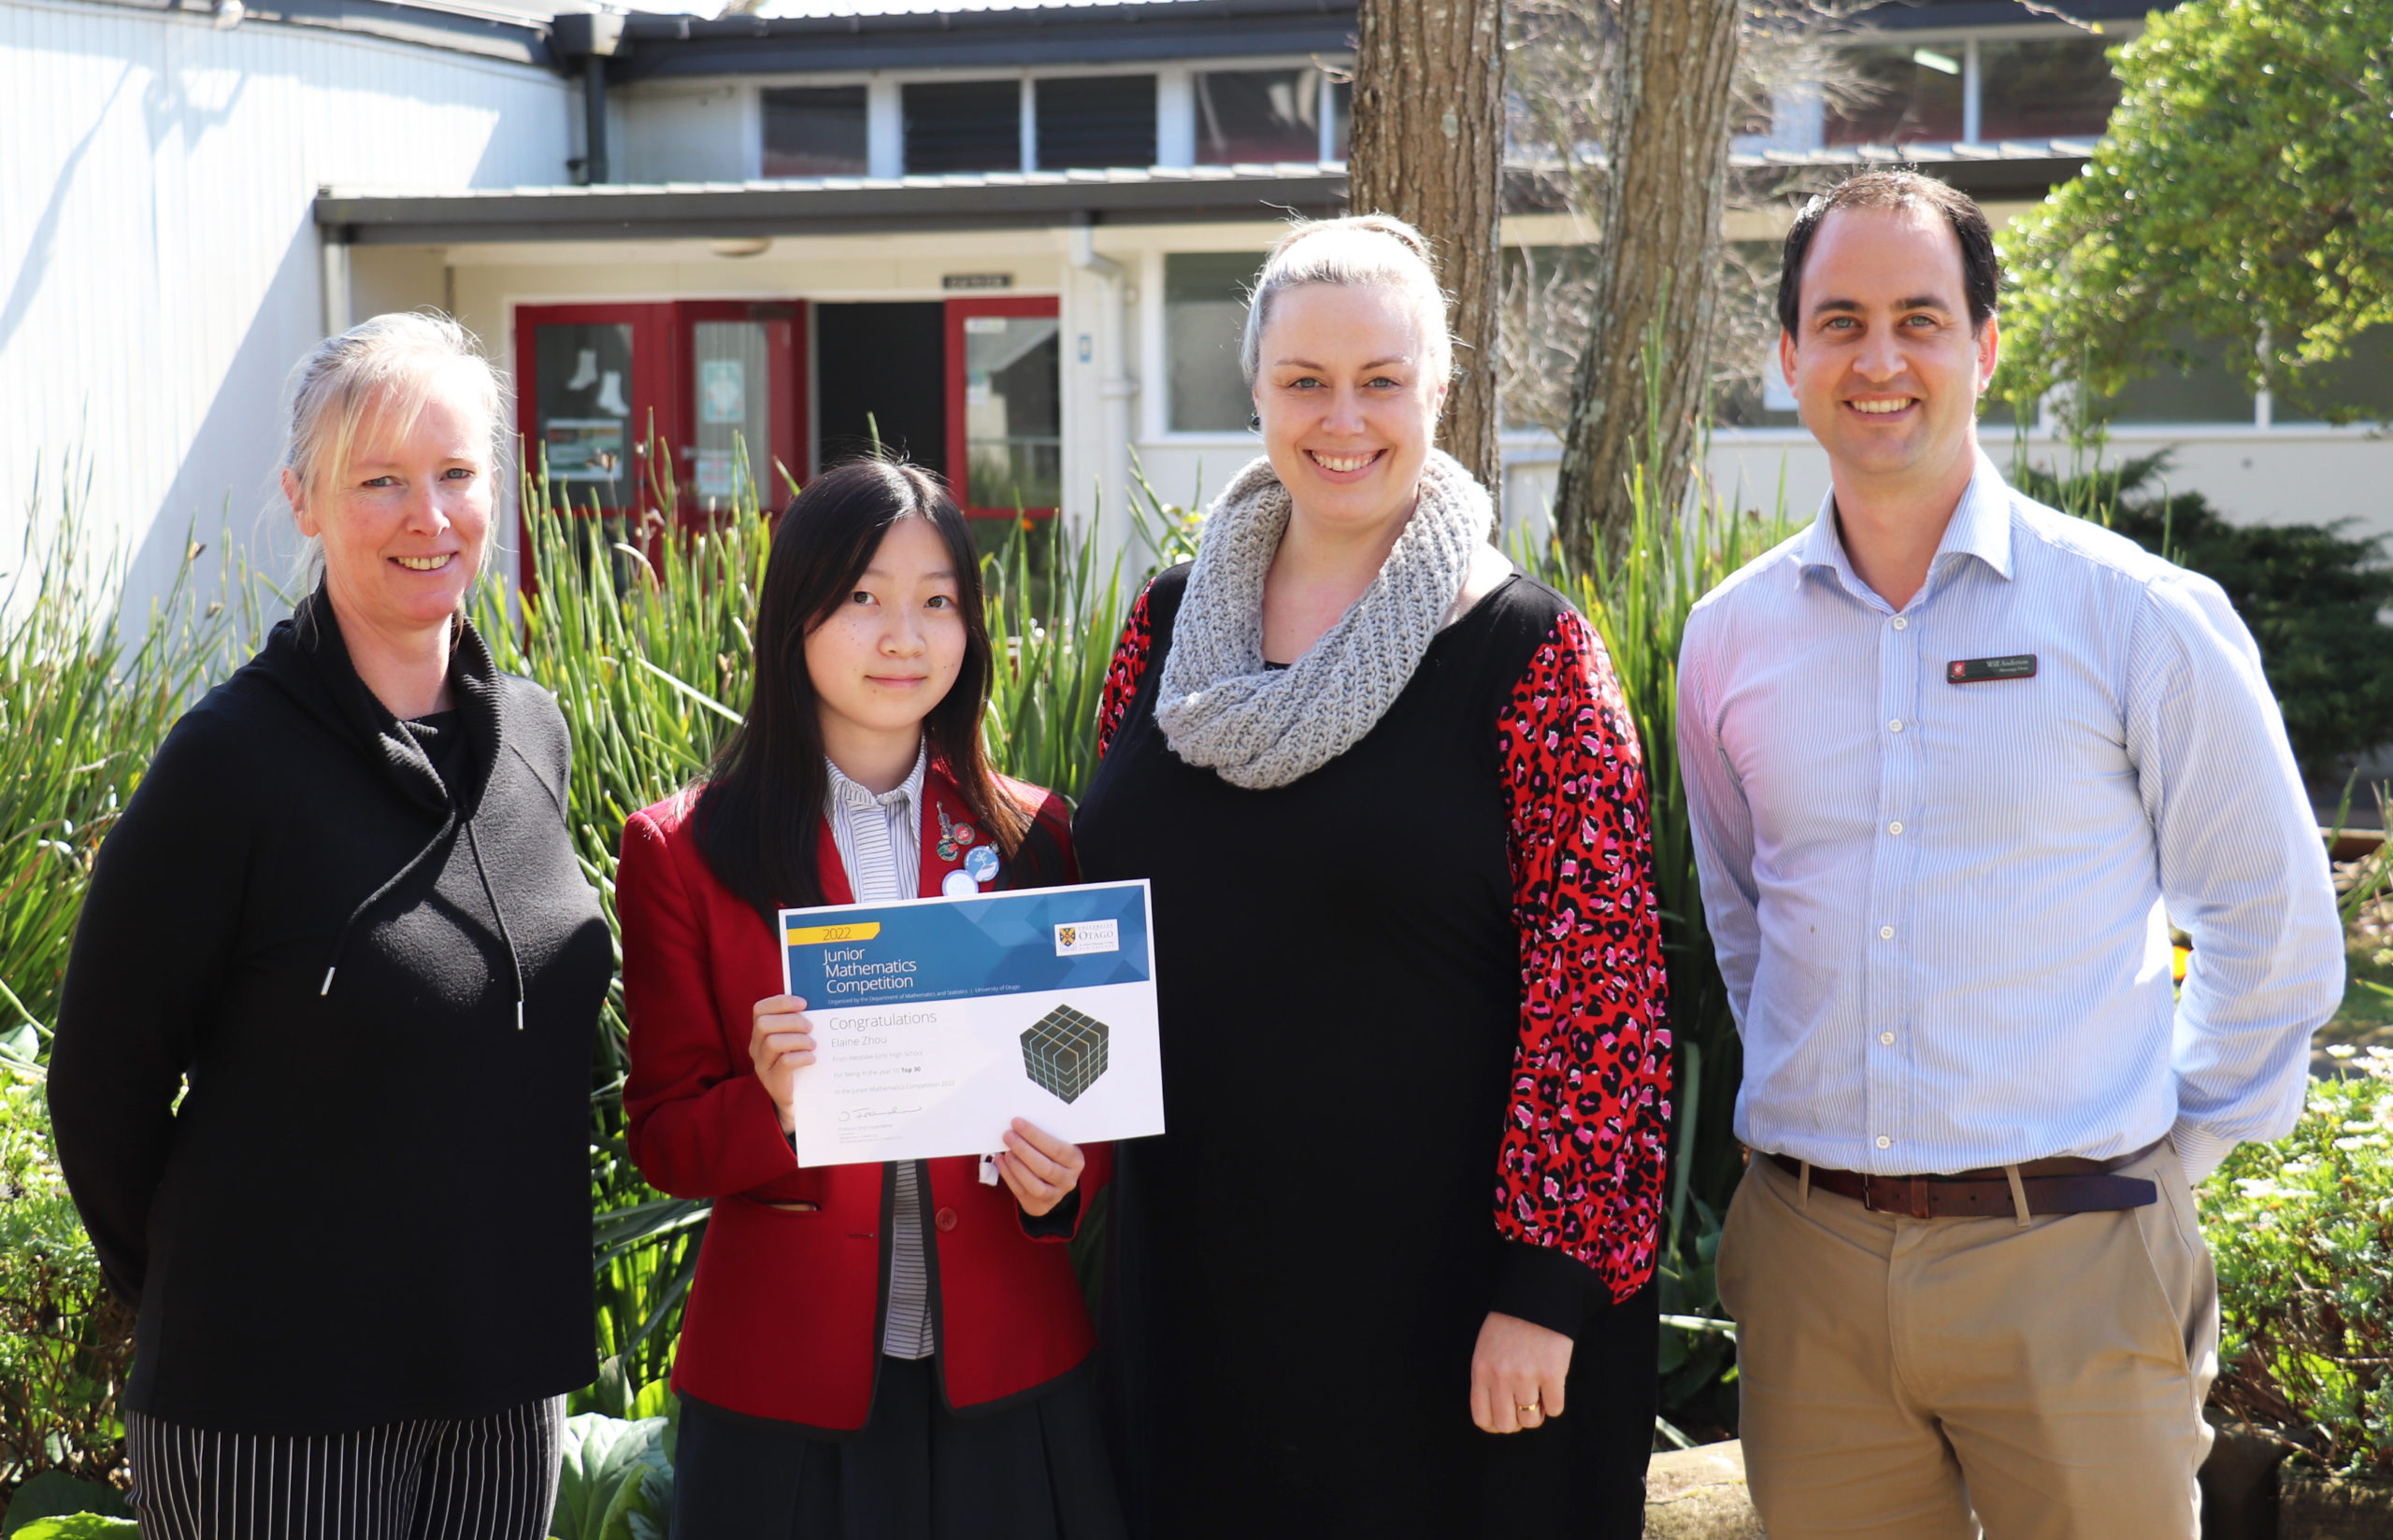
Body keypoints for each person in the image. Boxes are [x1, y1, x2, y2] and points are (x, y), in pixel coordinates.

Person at [1678, 170, 2347, 1539]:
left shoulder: (2139, 614)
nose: (1879, 358)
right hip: (1811, 1271)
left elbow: (2269, 929)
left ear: (1983, 347)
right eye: (1841, 320)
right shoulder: (1728, 638)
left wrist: (2155, 1165)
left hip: (2078, 1258)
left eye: (1919, 319)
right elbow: (1748, 926)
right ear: (1789, 355)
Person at [1072, 214, 1671, 1537]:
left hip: (1449, 1321)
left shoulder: (1532, 657)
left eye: (1380, 380)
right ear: (1256, 390)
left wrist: (1546, 1292)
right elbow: (1101, 922)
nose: (1342, 419)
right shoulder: (1166, 632)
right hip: (1195, 1295)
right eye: (1305, 380)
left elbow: (1605, 1001)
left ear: (1438, 391)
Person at [47, 312, 613, 1539]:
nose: (430, 515)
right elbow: (98, 1087)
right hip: (275, 1402)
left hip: (503, 1385)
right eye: (380, 482)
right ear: (303, 500)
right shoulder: (229, 765)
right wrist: (213, 1295)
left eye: (456, 473)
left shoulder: (533, 737)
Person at [615, 458, 1122, 1540]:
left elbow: (1091, 1092)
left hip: (1011, 1370)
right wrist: (773, 1103)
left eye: (937, 601)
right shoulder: (683, 851)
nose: (905, 637)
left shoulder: (1037, 837)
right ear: (794, 614)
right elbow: (662, 1137)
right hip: (781, 1390)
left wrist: (1064, 1182)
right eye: (862, 597)